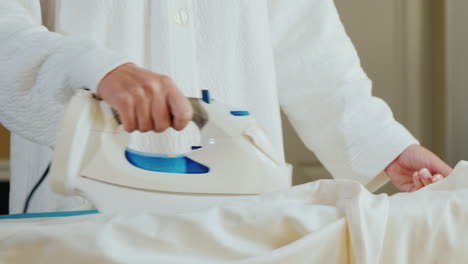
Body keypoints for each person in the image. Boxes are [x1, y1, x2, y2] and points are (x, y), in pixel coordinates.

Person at [0, 0, 452, 213]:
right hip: (82, 212)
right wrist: (96, 69)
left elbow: (308, 44)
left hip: (238, 219)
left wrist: (384, 146)